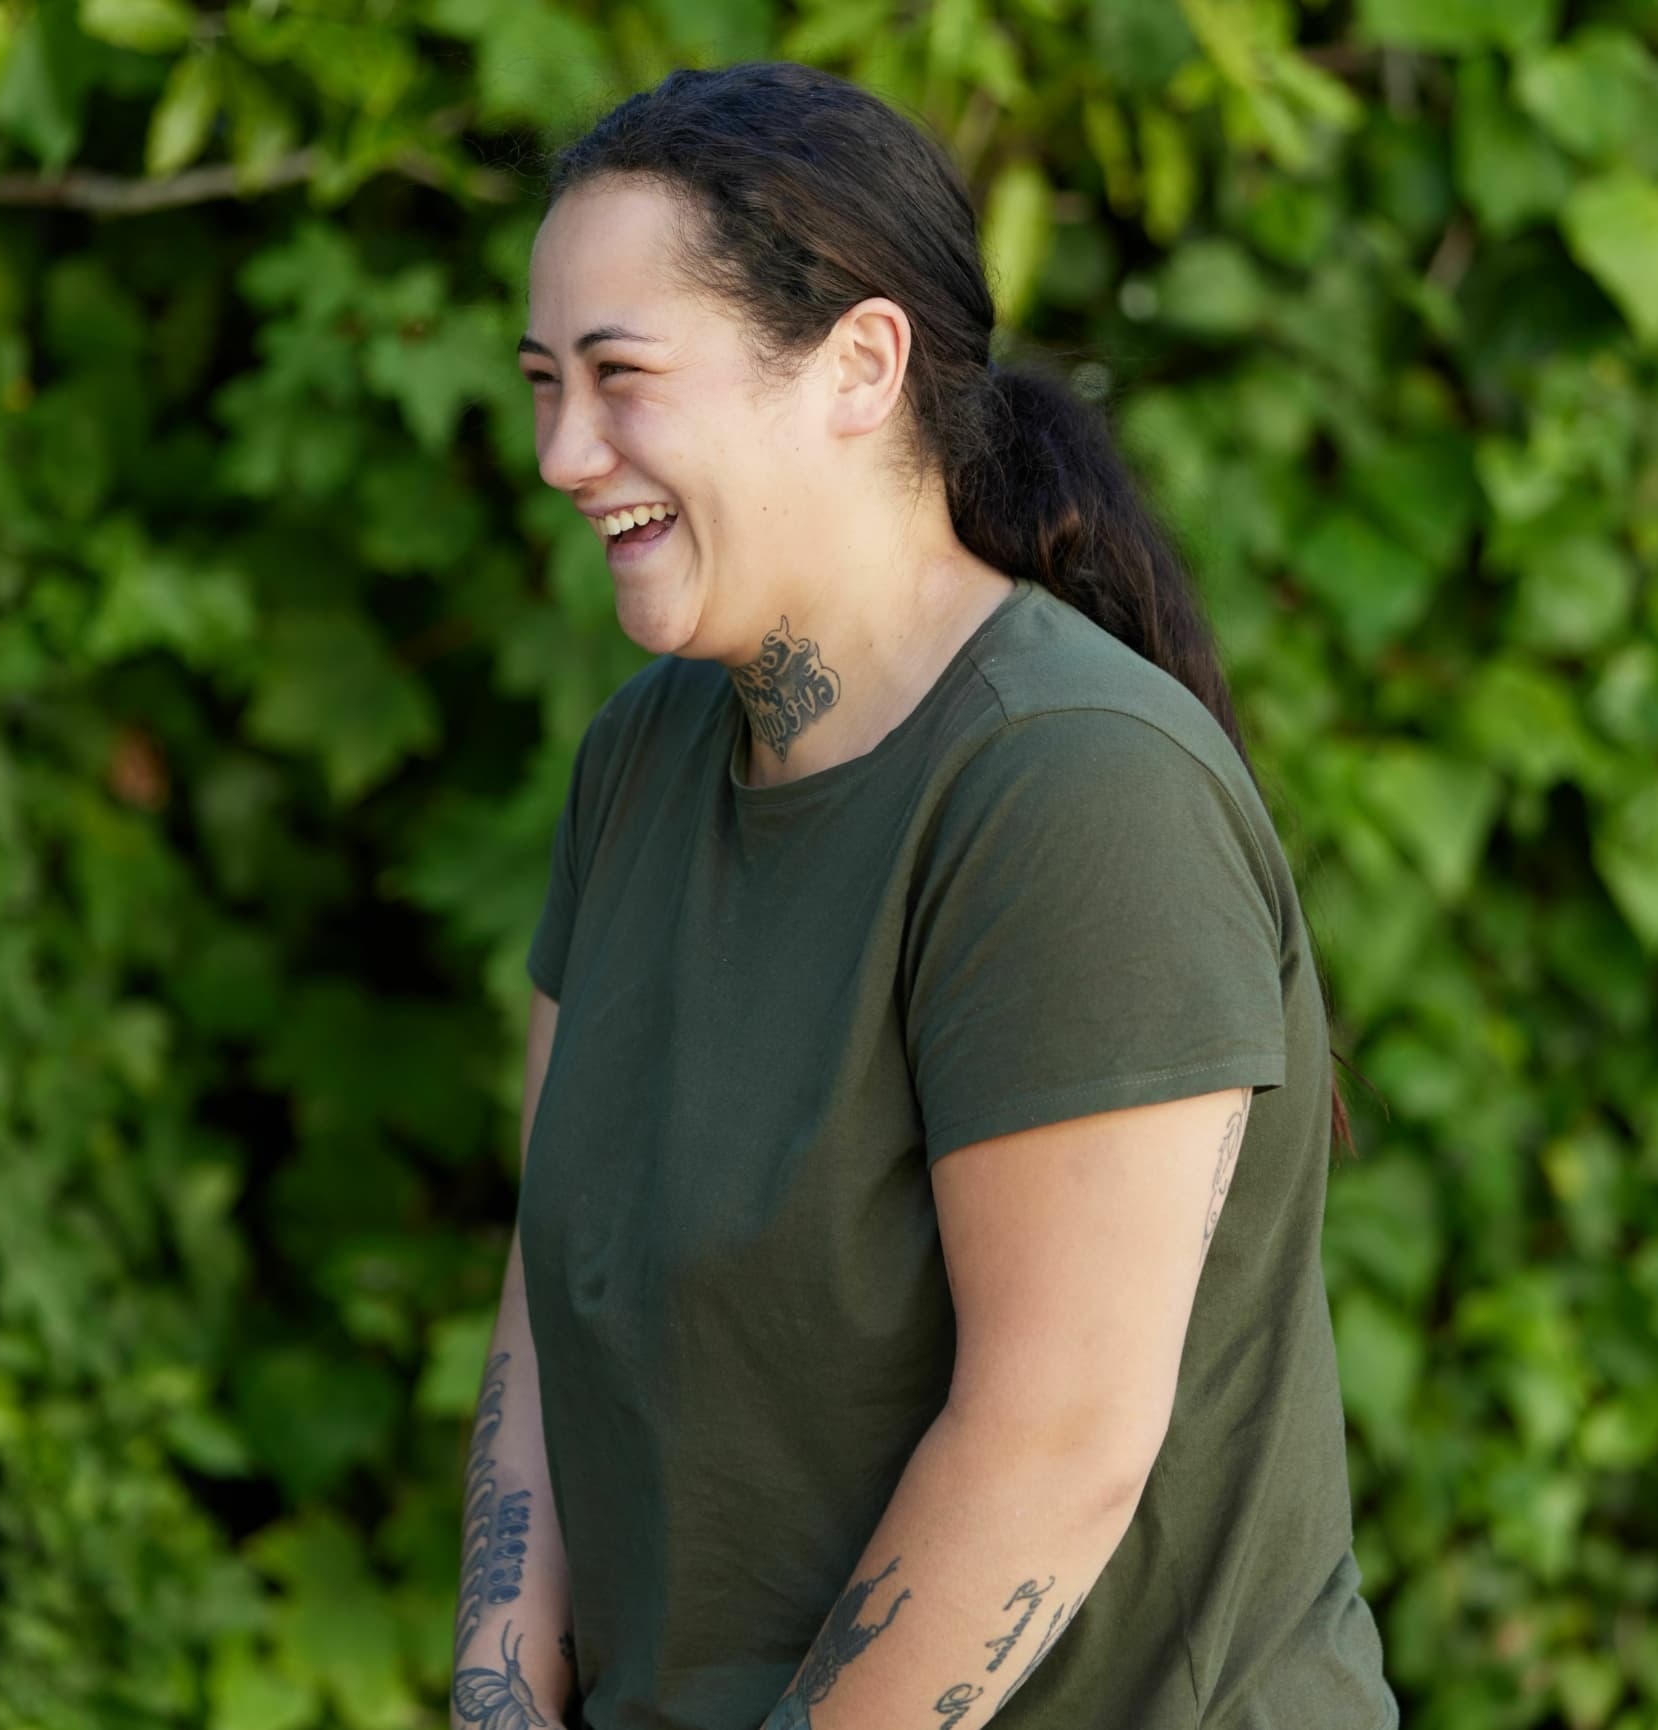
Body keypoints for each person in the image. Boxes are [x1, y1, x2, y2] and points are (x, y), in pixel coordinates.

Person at [450, 58, 1399, 1730]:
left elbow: (1057, 1445)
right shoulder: (641, 760)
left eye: (619, 377)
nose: (560, 451)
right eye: (542, 382)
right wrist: (497, 1692)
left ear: (858, 367)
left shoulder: (1072, 789)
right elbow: (556, 1273)